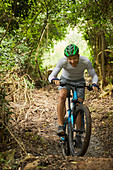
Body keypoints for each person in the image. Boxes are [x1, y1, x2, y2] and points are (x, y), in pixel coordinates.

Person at [48, 44, 99, 136]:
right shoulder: (62, 62)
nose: (72, 61)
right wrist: (54, 79)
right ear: (66, 58)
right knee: (62, 95)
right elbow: (52, 75)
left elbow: (94, 75)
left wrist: (94, 83)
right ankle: (60, 125)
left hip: (79, 82)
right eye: (69, 59)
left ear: (78, 56)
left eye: (74, 58)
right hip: (65, 80)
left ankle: (79, 133)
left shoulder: (85, 61)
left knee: (78, 105)